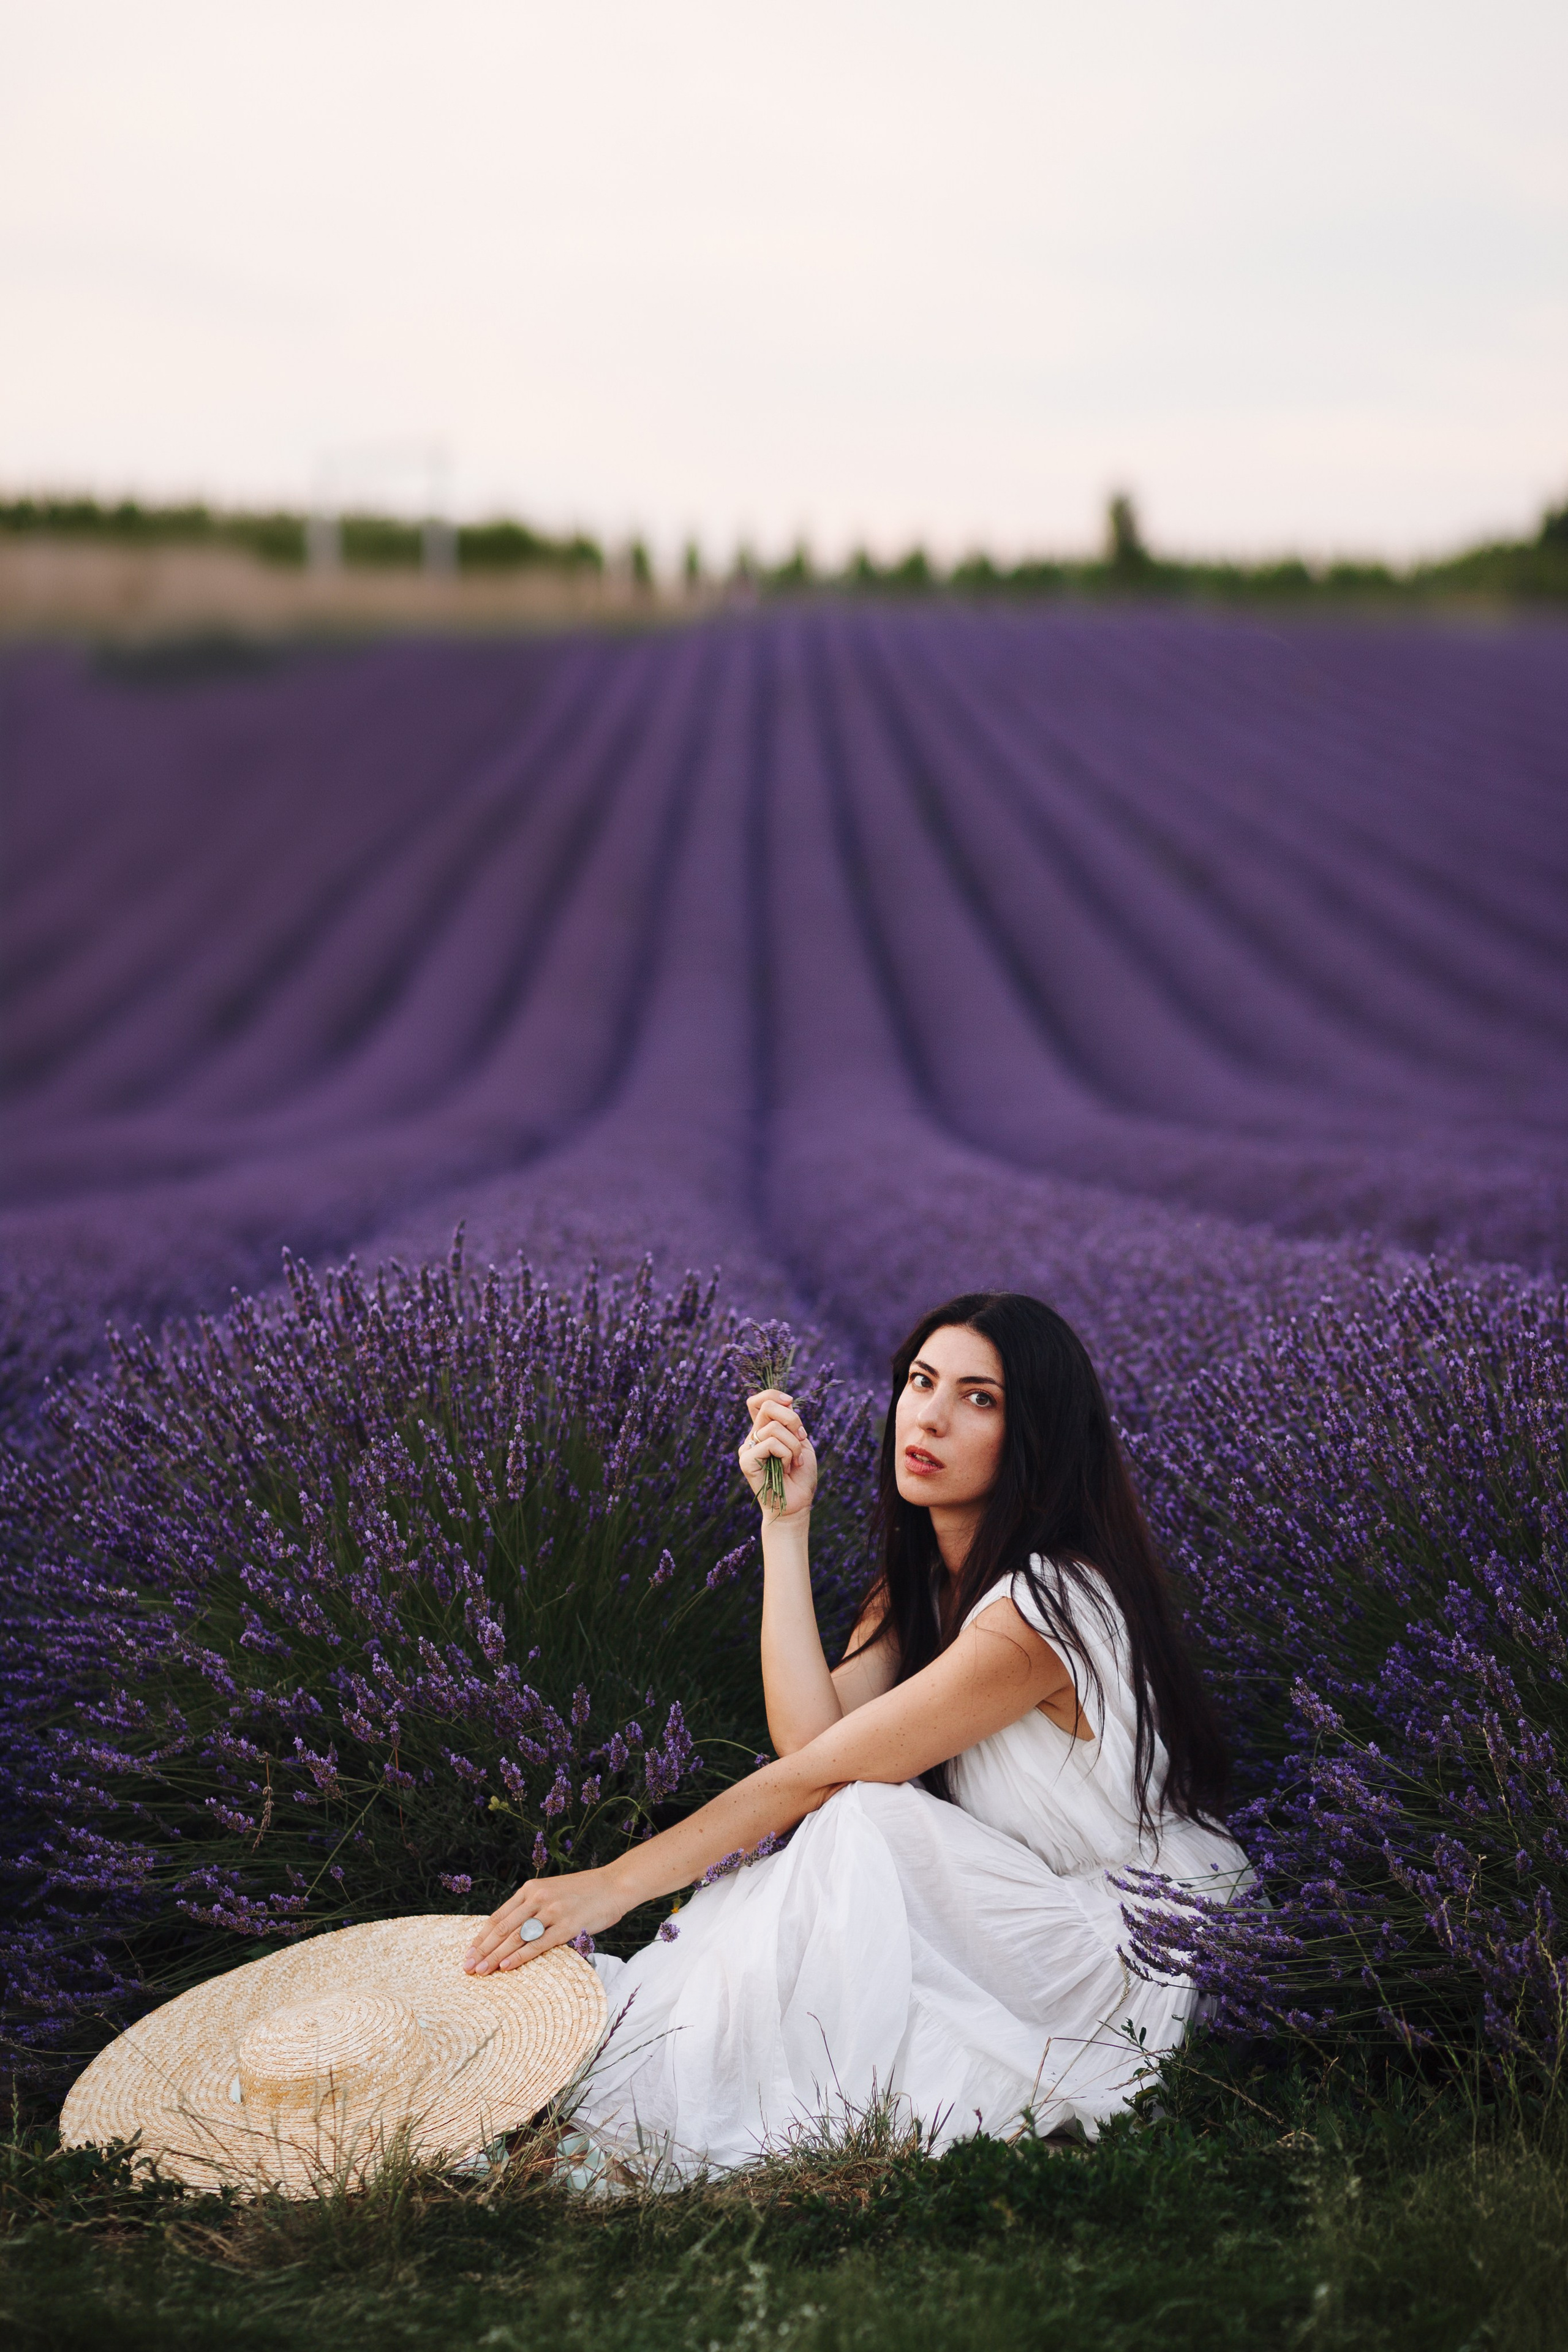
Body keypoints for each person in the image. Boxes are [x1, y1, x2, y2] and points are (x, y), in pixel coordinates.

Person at [462, 1292, 1250, 2175]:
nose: (932, 1416)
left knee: (861, 1820)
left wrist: (612, 1886)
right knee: (845, 1834)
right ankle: (622, 2066)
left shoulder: (1040, 1609)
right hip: (1014, 1905)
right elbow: (809, 1739)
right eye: (921, 1382)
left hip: (1120, 1941)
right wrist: (784, 1523)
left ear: (1037, 1437)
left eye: (979, 1399)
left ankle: (643, 2086)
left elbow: (818, 1778)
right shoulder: (925, 1587)